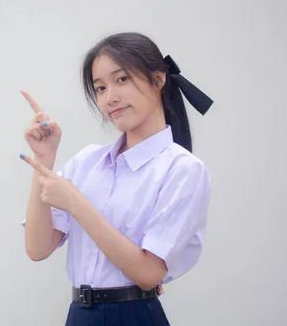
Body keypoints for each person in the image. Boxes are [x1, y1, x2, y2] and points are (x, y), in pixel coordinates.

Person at [19, 32, 213, 325]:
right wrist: (44, 160)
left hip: (133, 315)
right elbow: (37, 248)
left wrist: (77, 204)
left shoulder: (183, 169)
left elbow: (148, 274)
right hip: (79, 316)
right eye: (100, 88)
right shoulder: (86, 162)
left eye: (121, 79)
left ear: (158, 79)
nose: (110, 97)